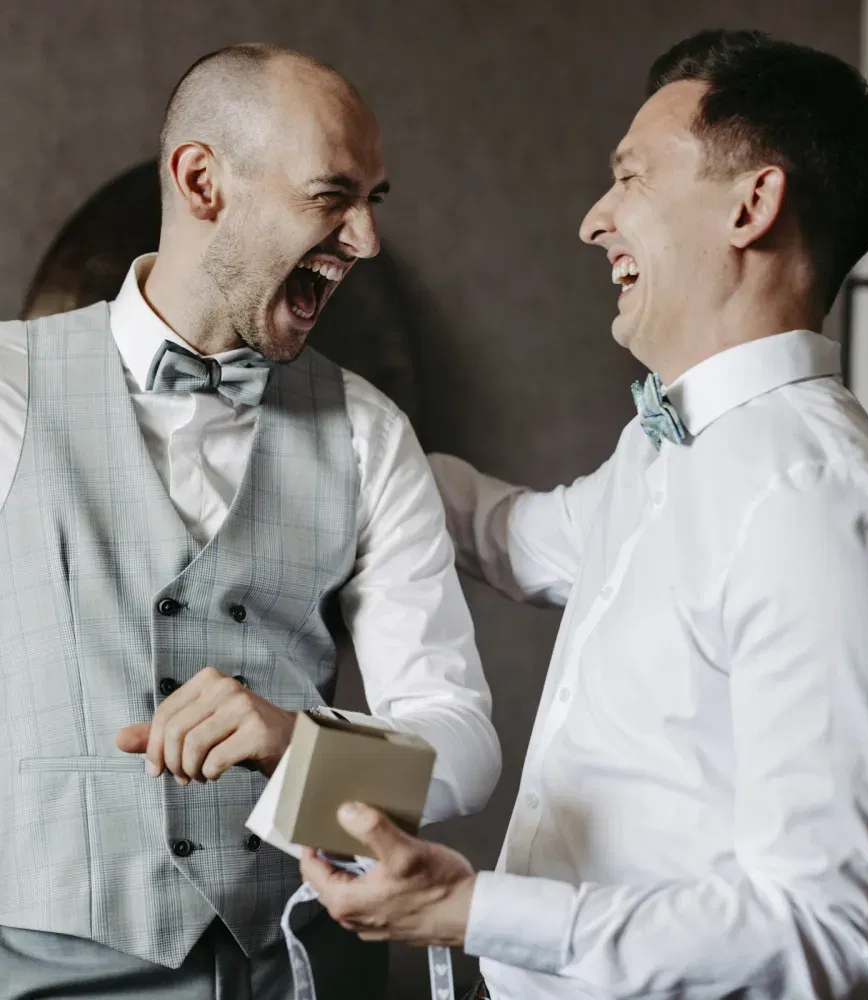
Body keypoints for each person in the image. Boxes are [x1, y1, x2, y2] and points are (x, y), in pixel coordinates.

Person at [300, 28, 868, 1000]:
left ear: (752, 203)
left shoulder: (822, 506)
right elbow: (514, 537)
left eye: (631, 178)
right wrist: (342, 442)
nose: (592, 220)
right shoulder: (665, 444)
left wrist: (471, 910)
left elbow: (815, 931)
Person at [0, 43, 500, 1000]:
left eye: (373, 201)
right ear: (202, 182)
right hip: (45, 974)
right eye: (330, 196)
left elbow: (461, 743)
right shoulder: (9, 388)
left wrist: (296, 742)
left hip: (306, 965)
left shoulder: (367, 432)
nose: (365, 240)